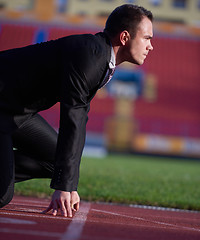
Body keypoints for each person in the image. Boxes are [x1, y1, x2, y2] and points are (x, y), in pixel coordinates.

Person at [0, 4, 153, 217]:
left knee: (56, 161)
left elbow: (79, 123)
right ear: (125, 37)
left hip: (16, 111)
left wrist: (69, 184)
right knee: (2, 194)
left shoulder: (101, 57)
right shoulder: (91, 55)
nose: (150, 46)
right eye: (147, 38)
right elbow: (73, 118)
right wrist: (64, 187)